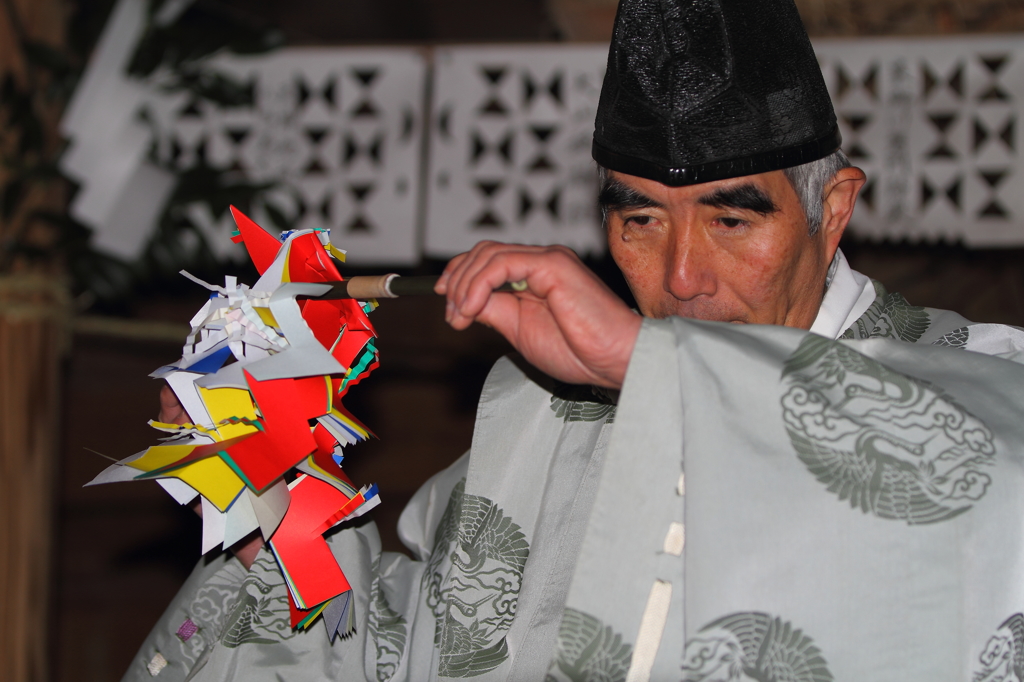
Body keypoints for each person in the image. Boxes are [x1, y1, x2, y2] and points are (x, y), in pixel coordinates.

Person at [125, 1, 1024, 680]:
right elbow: (394, 650)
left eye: (732, 222)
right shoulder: (542, 420)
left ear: (832, 212)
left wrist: (650, 368)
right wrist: (269, 504)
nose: (681, 277)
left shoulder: (974, 380)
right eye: (639, 221)